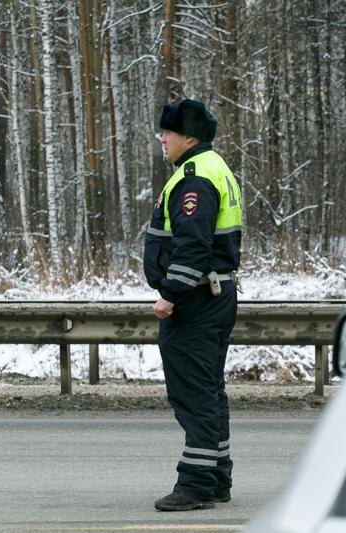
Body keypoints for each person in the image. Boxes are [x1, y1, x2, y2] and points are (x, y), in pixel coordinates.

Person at [143, 98, 242, 512]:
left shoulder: (195, 177)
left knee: (193, 393)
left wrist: (169, 295)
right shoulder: (214, 168)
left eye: (167, 132)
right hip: (215, 294)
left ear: (188, 136)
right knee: (209, 390)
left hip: (197, 299)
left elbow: (193, 245)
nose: (162, 139)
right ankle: (216, 476)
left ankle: (198, 483)